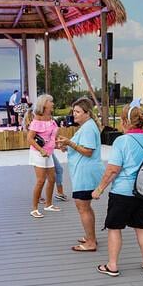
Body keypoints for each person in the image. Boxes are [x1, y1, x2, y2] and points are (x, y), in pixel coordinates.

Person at [92, 101, 143, 276]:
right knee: (142, 227)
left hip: (123, 192)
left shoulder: (122, 141)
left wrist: (99, 189)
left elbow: (113, 169)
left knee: (115, 227)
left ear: (126, 122)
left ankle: (112, 266)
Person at [57, 97, 104, 252]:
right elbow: (80, 147)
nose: (74, 114)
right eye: (73, 111)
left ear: (87, 113)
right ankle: (91, 236)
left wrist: (70, 143)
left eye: (77, 111)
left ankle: (90, 243)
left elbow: (88, 151)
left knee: (82, 206)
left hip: (86, 174)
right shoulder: (85, 127)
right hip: (83, 173)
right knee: (85, 206)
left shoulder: (89, 128)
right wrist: (66, 146)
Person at [27, 94, 60, 218]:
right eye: (50, 102)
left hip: (49, 153)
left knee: (52, 179)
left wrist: (58, 145)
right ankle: (34, 208)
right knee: (40, 181)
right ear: (44, 104)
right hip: (38, 153)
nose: (53, 104)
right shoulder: (38, 119)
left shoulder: (50, 118)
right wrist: (41, 150)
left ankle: (48, 204)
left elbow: (52, 137)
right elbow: (29, 138)